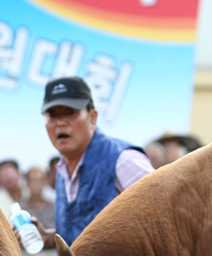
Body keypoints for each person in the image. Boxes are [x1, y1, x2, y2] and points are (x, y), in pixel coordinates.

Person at [40, 76, 153, 245]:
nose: (61, 122)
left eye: (70, 112)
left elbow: (163, 220)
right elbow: (82, 231)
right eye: (52, 115)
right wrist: (49, 237)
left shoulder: (123, 160)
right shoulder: (63, 169)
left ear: (92, 117)